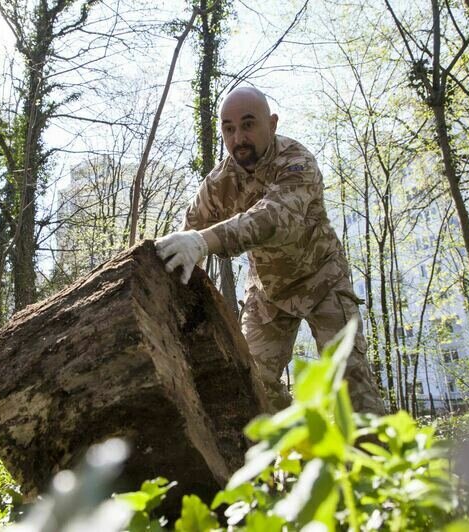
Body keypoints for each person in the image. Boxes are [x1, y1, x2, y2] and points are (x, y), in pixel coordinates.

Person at [155, 86, 385, 415]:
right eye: (228, 128)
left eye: (248, 125)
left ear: (272, 123)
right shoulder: (219, 183)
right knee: (251, 385)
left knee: (352, 386)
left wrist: (204, 241)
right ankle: (291, 444)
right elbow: (187, 233)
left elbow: (273, 217)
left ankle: (374, 463)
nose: (238, 138)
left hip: (322, 281)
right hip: (268, 293)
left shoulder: (296, 162)